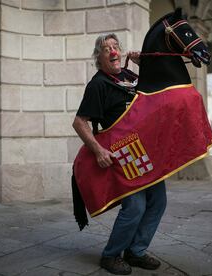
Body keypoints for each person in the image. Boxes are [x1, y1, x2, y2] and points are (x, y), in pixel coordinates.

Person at [72, 33, 167, 275]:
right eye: (106, 49)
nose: (114, 51)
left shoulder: (130, 76)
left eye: (116, 47)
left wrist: (142, 65)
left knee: (158, 201)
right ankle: (111, 255)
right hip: (127, 153)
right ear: (99, 58)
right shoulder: (97, 85)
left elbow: (158, 91)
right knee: (135, 207)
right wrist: (99, 150)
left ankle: (135, 251)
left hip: (149, 150)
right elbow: (80, 122)